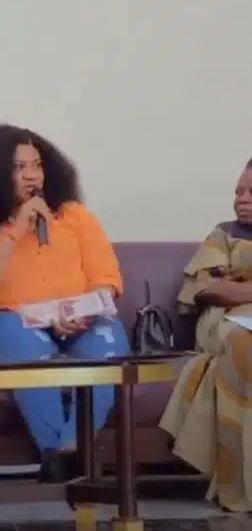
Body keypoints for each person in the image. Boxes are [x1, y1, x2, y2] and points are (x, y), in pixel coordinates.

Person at [0, 124, 129, 479]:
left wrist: (82, 311)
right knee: (31, 353)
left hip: (79, 315)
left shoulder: (73, 215)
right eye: (19, 167)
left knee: (109, 347)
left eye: (37, 165)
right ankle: (64, 458)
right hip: (12, 317)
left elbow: (105, 276)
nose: (32, 176)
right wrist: (16, 230)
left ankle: (68, 452)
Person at [160, 158, 252, 512]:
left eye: (251, 192)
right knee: (242, 344)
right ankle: (239, 487)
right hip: (227, 321)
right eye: (238, 192)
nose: (242, 199)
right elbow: (208, 289)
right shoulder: (223, 235)